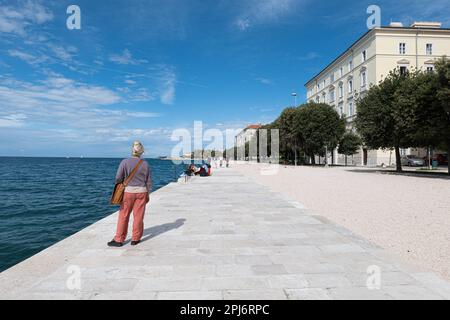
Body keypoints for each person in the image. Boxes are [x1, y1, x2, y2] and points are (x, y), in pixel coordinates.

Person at [108, 141, 152, 247]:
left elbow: (118, 177)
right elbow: (149, 181)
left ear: (132, 150)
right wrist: (147, 193)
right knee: (138, 216)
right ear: (141, 151)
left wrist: (122, 182)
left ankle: (119, 239)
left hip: (128, 192)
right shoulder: (145, 164)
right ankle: (135, 239)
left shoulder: (125, 162)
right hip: (142, 192)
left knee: (124, 215)